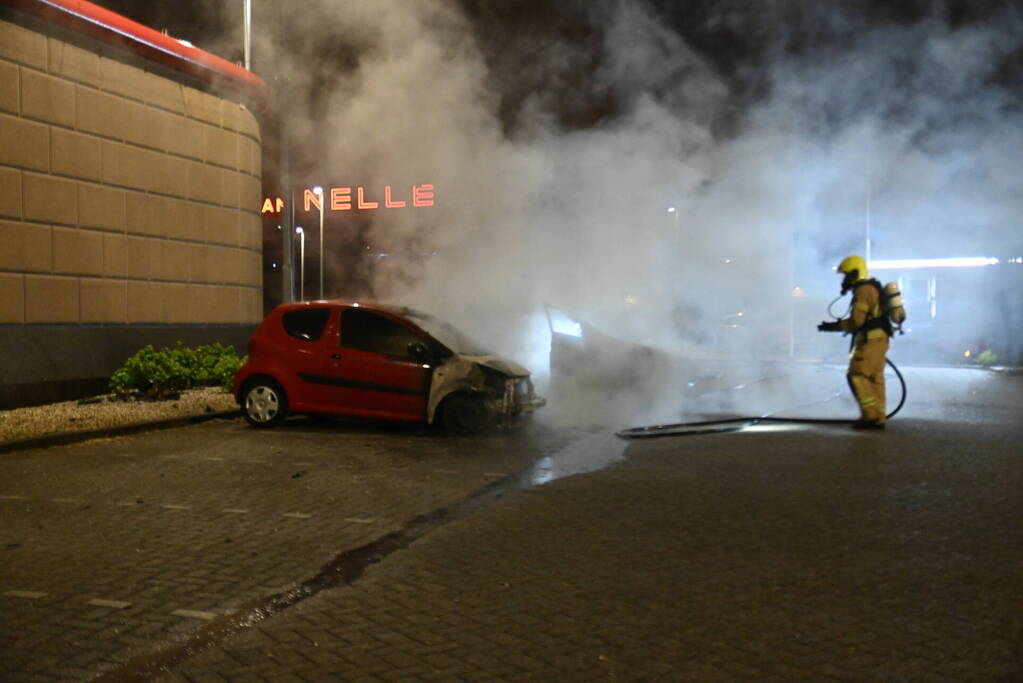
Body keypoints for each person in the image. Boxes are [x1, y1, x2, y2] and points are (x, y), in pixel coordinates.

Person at [818, 255, 891, 430]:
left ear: (854, 273)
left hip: (870, 340)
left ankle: (870, 416)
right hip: (881, 339)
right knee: (875, 378)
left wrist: (834, 326)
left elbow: (857, 322)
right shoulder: (874, 287)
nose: (844, 280)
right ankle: (879, 416)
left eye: (846, 275)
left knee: (857, 375)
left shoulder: (863, 290)